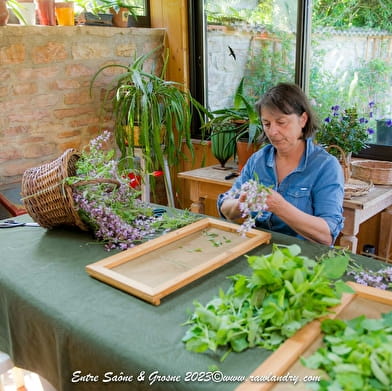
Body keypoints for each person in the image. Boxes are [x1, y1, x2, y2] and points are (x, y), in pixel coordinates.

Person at [217, 82, 344, 246]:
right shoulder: (258, 160)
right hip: (257, 250)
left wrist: (280, 207)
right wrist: (241, 204)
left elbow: (327, 235)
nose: (272, 132)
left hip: (302, 259)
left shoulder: (326, 166)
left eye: (281, 122)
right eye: (267, 123)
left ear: (303, 120)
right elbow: (224, 207)